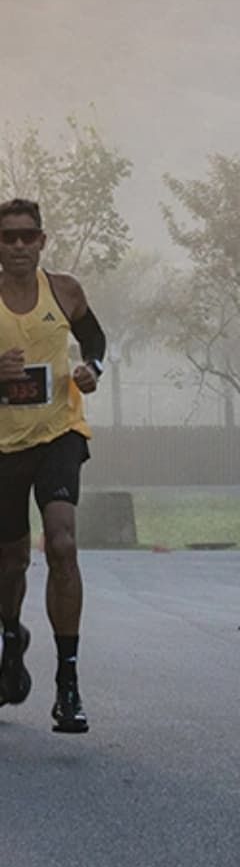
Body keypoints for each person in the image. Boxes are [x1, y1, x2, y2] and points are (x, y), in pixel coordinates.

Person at [0, 199, 107, 734]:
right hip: (3, 447)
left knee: (61, 544)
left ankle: (68, 683)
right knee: (11, 562)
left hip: (58, 434)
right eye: (8, 237)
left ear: (42, 241)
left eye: (28, 236)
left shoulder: (64, 290)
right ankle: (10, 638)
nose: (19, 245)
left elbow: (95, 341)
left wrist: (92, 369)